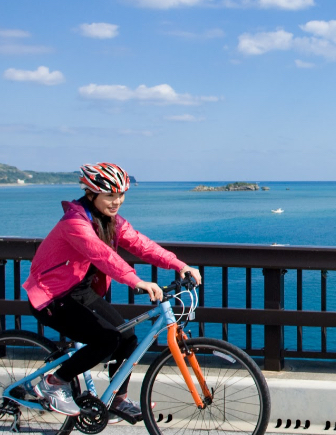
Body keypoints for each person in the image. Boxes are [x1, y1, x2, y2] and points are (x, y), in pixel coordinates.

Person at [22, 162, 201, 420]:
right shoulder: (75, 223)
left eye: (121, 194)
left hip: (78, 290)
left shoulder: (110, 221)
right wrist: (135, 281)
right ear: (91, 194)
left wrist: (179, 264)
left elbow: (142, 244)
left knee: (126, 336)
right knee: (105, 339)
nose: (117, 201)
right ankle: (53, 383)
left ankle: (118, 399)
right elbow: (101, 255)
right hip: (51, 295)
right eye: (110, 195)